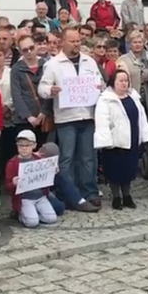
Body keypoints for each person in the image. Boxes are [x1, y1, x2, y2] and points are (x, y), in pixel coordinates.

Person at [39, 27, 104, 205]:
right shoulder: (53, 64)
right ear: (63, 42)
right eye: (73, 41)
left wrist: (100, 86)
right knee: (67, 158)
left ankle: (89, 192)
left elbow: (100, 81)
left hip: (87, 115)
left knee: (88, 157)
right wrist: (50, 90)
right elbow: (42, 88)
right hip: (66, 117)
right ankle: (69, 194)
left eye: (78, 41)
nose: (76, 44)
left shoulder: (89, 61)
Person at [94, 70, 148, 209]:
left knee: (129, 169)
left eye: (126, 80)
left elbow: (142, 117)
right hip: (114, 141)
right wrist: (105, 140)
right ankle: (116, 197)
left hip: (132, 138)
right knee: (114, 170)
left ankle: (127, 196)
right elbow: (102, 120)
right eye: (120, 81)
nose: (124, 83)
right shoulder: (105, 99)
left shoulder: (133, 96)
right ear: (113, 82)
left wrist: (146, 136)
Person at [5, 130, 58, 227]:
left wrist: (52, 171)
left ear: (34, 146)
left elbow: (46, 178)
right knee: (32, 223)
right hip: (24, 199)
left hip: (40, 196)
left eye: (27, 145)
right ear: (17, 146)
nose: (24, 148)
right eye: (21, 145)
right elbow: (7, 186)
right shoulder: (12, 163)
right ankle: (22, 214)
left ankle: (33, 214)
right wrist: (13, 183)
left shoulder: (39, 160)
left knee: (51, 218)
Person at [116, 31, 148, 98]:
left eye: (140, 42)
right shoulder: (123, 59)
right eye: (135, 42)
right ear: (130, 44)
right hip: (130, 94)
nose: (137, 45)